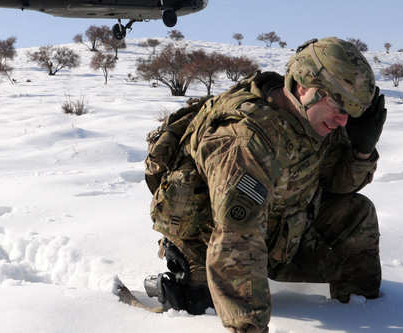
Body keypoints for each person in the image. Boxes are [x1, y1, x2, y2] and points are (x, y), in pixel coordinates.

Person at [144, 37, 387, 333]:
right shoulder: (246, 140)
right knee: (203, 301)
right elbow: (237, 237)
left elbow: (338, 186)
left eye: (353, 110)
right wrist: (249, 327)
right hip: (213, 238)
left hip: (283, 227)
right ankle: (186, 272)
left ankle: (364, 312)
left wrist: (361, 151)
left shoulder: (316, 118)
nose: (343, 119)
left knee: (357, 213)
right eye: (338, 105)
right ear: (304, 87)